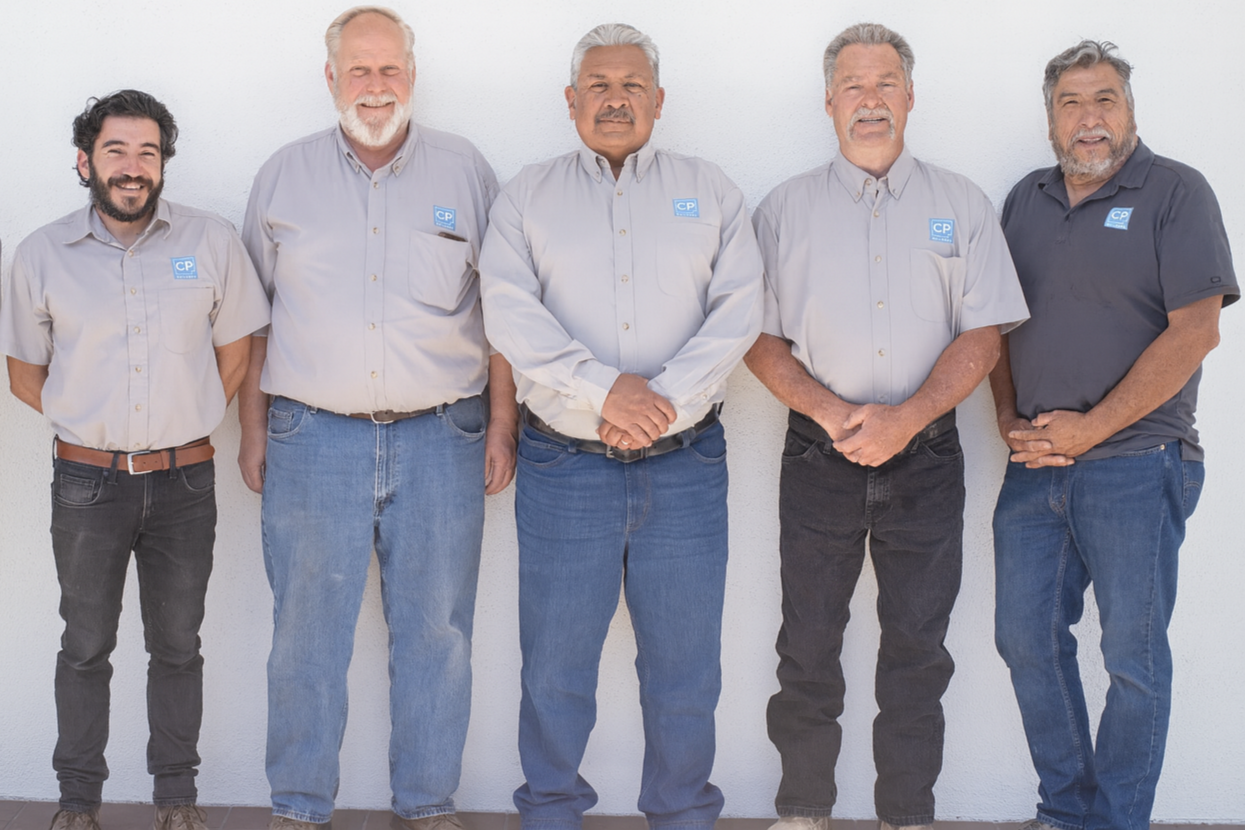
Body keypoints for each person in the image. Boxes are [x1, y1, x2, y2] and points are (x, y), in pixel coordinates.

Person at [237, 6, 517, 830]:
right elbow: (255, 319)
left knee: (439, 637)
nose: (374, 85)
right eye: (358, 70)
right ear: (330, 78)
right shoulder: (282, 176)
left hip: (444, 437)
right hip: (311, 437)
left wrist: (502, 428)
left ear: (412, 76)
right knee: (304, 639)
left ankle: (427, 808)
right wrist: (254, 432)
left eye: (389, 69)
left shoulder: (466, 170)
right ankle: (297, 808)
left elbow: (502, 315)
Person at [477, 22, 762, 830]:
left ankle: (680, 816)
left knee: (684, 672)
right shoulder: (526, 196)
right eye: (598, 85)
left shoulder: (710, 190)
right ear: (570, 102)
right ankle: (552, 813)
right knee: (555, 668)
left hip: (685, 467)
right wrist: (605, 390)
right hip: (565, 467)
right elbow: (507, 310)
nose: (614, 99)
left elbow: (738, 310)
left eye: (631, 85)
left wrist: (659, 399)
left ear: (659, 101)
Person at [744, 23, 1029, 830]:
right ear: (828, 101)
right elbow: (758, 340)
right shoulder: (783, 209)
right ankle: (802, 810)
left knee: (916, 653)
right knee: (806, 647)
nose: (869, 102)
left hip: (928, 457)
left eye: (885, 85)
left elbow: (983, 334)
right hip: (817, 455)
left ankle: (906, 815)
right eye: (853, 87)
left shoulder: (960, 205)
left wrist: (907, 419)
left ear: (910, 96)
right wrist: (835, 414)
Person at [0, 89, 269, 830]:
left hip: (185, 480)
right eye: (117, 151)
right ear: (85, 162)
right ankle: (77, 802)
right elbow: (25, 374)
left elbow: (238, 350)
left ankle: (176, 800)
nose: (133, 167)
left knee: (177, 646)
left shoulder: (210, 244)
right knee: (85, 646)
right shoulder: (41, 254)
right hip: (86, 482)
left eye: (147, 153)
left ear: (162, 164)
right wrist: (92, 419)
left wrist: (186, 417)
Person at [990, 40, 1237, 830]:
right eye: (1070, 102)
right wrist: (1003, 415)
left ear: (1130, 111)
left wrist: (1090, 429)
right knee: (1024, 641)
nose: (1087, 118)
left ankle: (1116, 822)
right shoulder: (1022, 200)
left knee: (1130, 661)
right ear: (1049, 118)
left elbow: (1195, 332)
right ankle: (1064, 812)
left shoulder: (1174, 192)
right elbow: (992, 325)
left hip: (1135, 462)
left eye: (1104, 101)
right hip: (1033, 468)